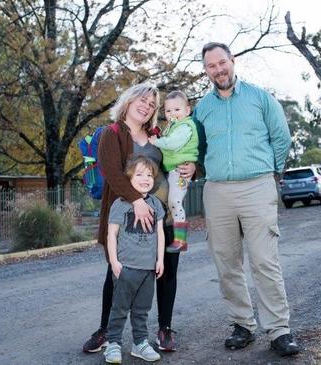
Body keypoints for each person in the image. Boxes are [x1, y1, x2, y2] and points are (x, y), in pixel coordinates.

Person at [193, 42, 301, 356]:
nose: (218, 70)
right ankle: (242, 324)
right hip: (217, 191)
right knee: (226, 261)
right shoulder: (202, 108)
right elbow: (198, 149)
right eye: (211, 66)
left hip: (257, 186)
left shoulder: (260, 98)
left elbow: (281, 138)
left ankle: (279, 331)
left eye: (222, 63)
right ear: (206, 70)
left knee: (265, 261)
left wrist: (272, 174)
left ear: (233, 61)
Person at [82, 83, 195, 354]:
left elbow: (181, 156)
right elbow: (112, 172)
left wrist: (193, 167)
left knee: (165, 271)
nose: (146, 106)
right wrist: (137, 202)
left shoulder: (159, 134)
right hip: (127, 221)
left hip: (163, 217)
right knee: (118, 272)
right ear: (129, 102)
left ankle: (165, 328)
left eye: (151, 104)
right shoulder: (113, 134)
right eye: (142, 101)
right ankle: (106, 330)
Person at [103, 155, 166, 364]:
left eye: (149, 175)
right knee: (119, 308)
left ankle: (140, 343)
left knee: (142, 310)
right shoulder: (120, 204)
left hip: (148, 269)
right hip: (126, 267)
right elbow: (111, 234)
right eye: (139, 174)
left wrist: (160, 260)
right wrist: (114, 262)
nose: (145, 178)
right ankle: (113, 343)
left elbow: (160, 233)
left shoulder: (156, 203)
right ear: (129, 178)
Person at [148, 90, 199, 252]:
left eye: (177, 110)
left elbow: (173, 144)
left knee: (175, 202)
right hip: (173, 170)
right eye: (168, 111)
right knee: (170, 202)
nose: (172, 114)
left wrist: (156, 142)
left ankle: (181, 240)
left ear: (187, 110)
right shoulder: (173, 126)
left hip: (181, 170)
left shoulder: (185, 127)